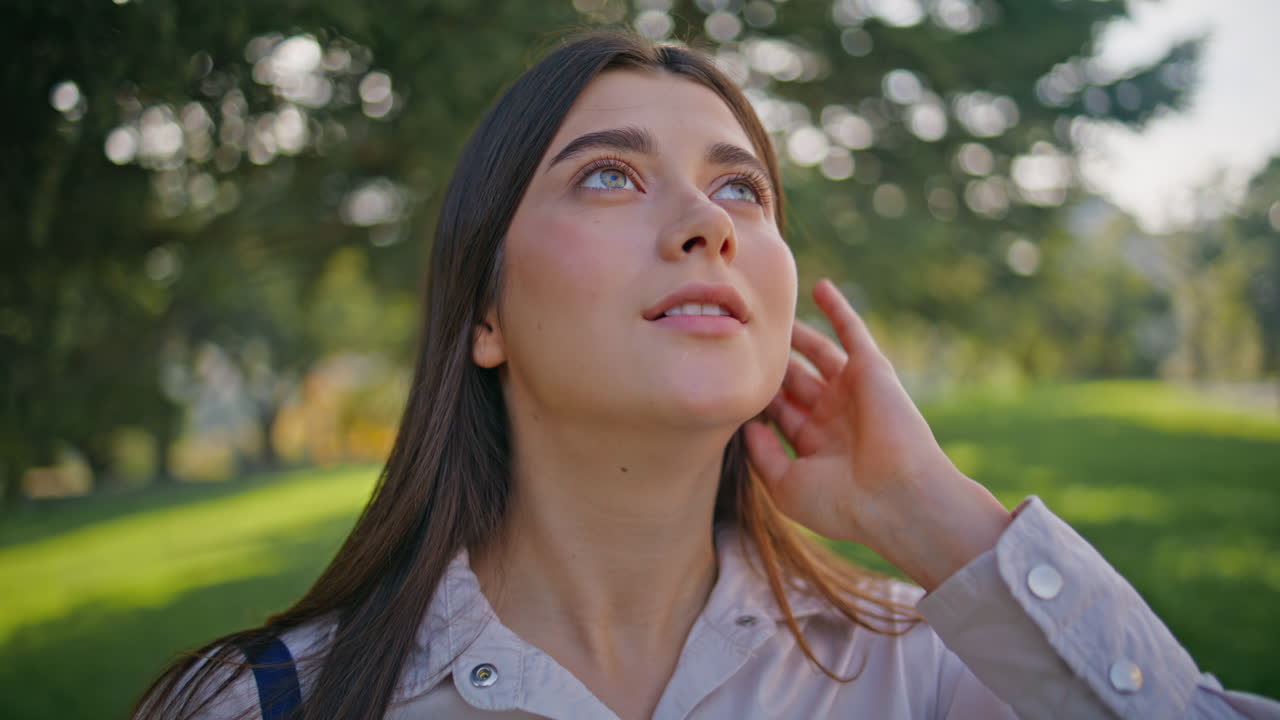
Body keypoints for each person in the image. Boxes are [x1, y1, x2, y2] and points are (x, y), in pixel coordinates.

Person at [136, 31, 1279, 720]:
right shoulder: (261, 706)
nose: (703, 223)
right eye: (607, 178)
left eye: (740, 189)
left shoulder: (930, 677)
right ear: (482, 310)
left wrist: (933, 519)